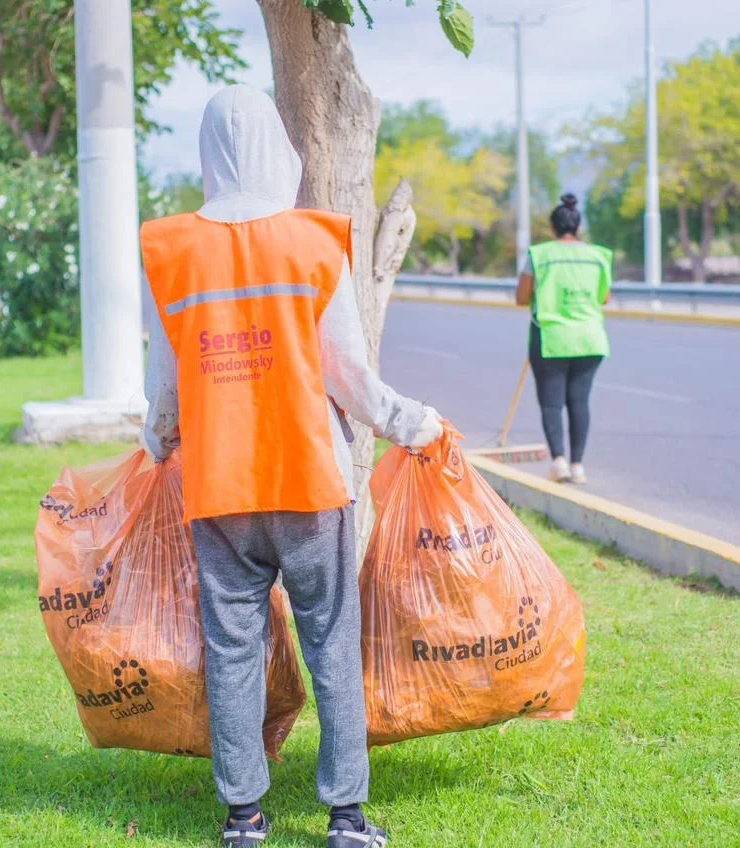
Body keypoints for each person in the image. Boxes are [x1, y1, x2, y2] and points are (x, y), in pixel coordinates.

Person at [139, 85, 443, 848]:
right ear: (279, 146)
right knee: (331, 641)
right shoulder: (313, 242)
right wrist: (414, 424)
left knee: (232, 649)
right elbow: (348, 376)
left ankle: (243, 816)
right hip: (309, 481)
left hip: (219, 487)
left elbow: (164, 381)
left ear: (207, 153)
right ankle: (345, 816)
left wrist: (158, 438)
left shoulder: (171, 250)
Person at [515, 194, 611, 485]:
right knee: (580, 401)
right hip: (589, 339)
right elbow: (604, 297)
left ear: (553, 227)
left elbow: (521, 297)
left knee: (552, 402)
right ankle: (578, 465)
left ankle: (559, 462)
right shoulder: (598, 256)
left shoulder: (539, 255)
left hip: (551, 337)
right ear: (578, 226)